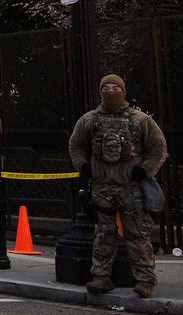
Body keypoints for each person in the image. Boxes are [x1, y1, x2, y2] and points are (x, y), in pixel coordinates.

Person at [69, 74, 168, 298]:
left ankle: (145, 280)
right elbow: (76, 145)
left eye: (115, 87)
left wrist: (145, 169)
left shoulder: (140, 120)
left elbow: (158, 149)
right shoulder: (90, 120)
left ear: (123, 91)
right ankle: (101, 277)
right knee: (104, 233)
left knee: (138, 234)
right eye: (106, 87)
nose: (111, 91)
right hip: (102, 186)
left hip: (131, 187)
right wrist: (82, 166)